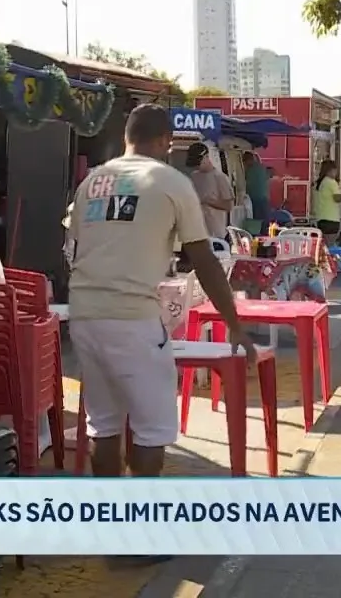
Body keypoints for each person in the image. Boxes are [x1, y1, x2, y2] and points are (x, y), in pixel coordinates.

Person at [66, 104, 258, 484]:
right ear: (164, 142)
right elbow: (202, 258)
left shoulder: (93, 181)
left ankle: (111, 524)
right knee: (151, 431)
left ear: (126, 139)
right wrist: (234, 324)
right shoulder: (171, 182)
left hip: (85, 316)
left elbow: (73, 243)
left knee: (102, 426)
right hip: (132, 319)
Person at [186, 142, 234, 241]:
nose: (197, 166)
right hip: (197, 231)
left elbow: (229, 205)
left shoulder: (220, 177)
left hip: (215, 232)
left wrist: (209, 201)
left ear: (207, 157)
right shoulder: (194, 176)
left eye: (198, 162)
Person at [313, 159, 341, 244]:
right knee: (329, 246)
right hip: (331, 219)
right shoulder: (331, 182)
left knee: (323, 245)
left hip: (321, 219)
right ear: (331, 170)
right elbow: (337, 198)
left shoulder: (319, 184)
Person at [243, 151, 270, 224]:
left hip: (254, 199)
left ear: (248, 160)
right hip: (264, 198)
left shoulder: (248, 170)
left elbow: (245, 183)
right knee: (264, 221)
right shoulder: (261, 168)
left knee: (256, 221)